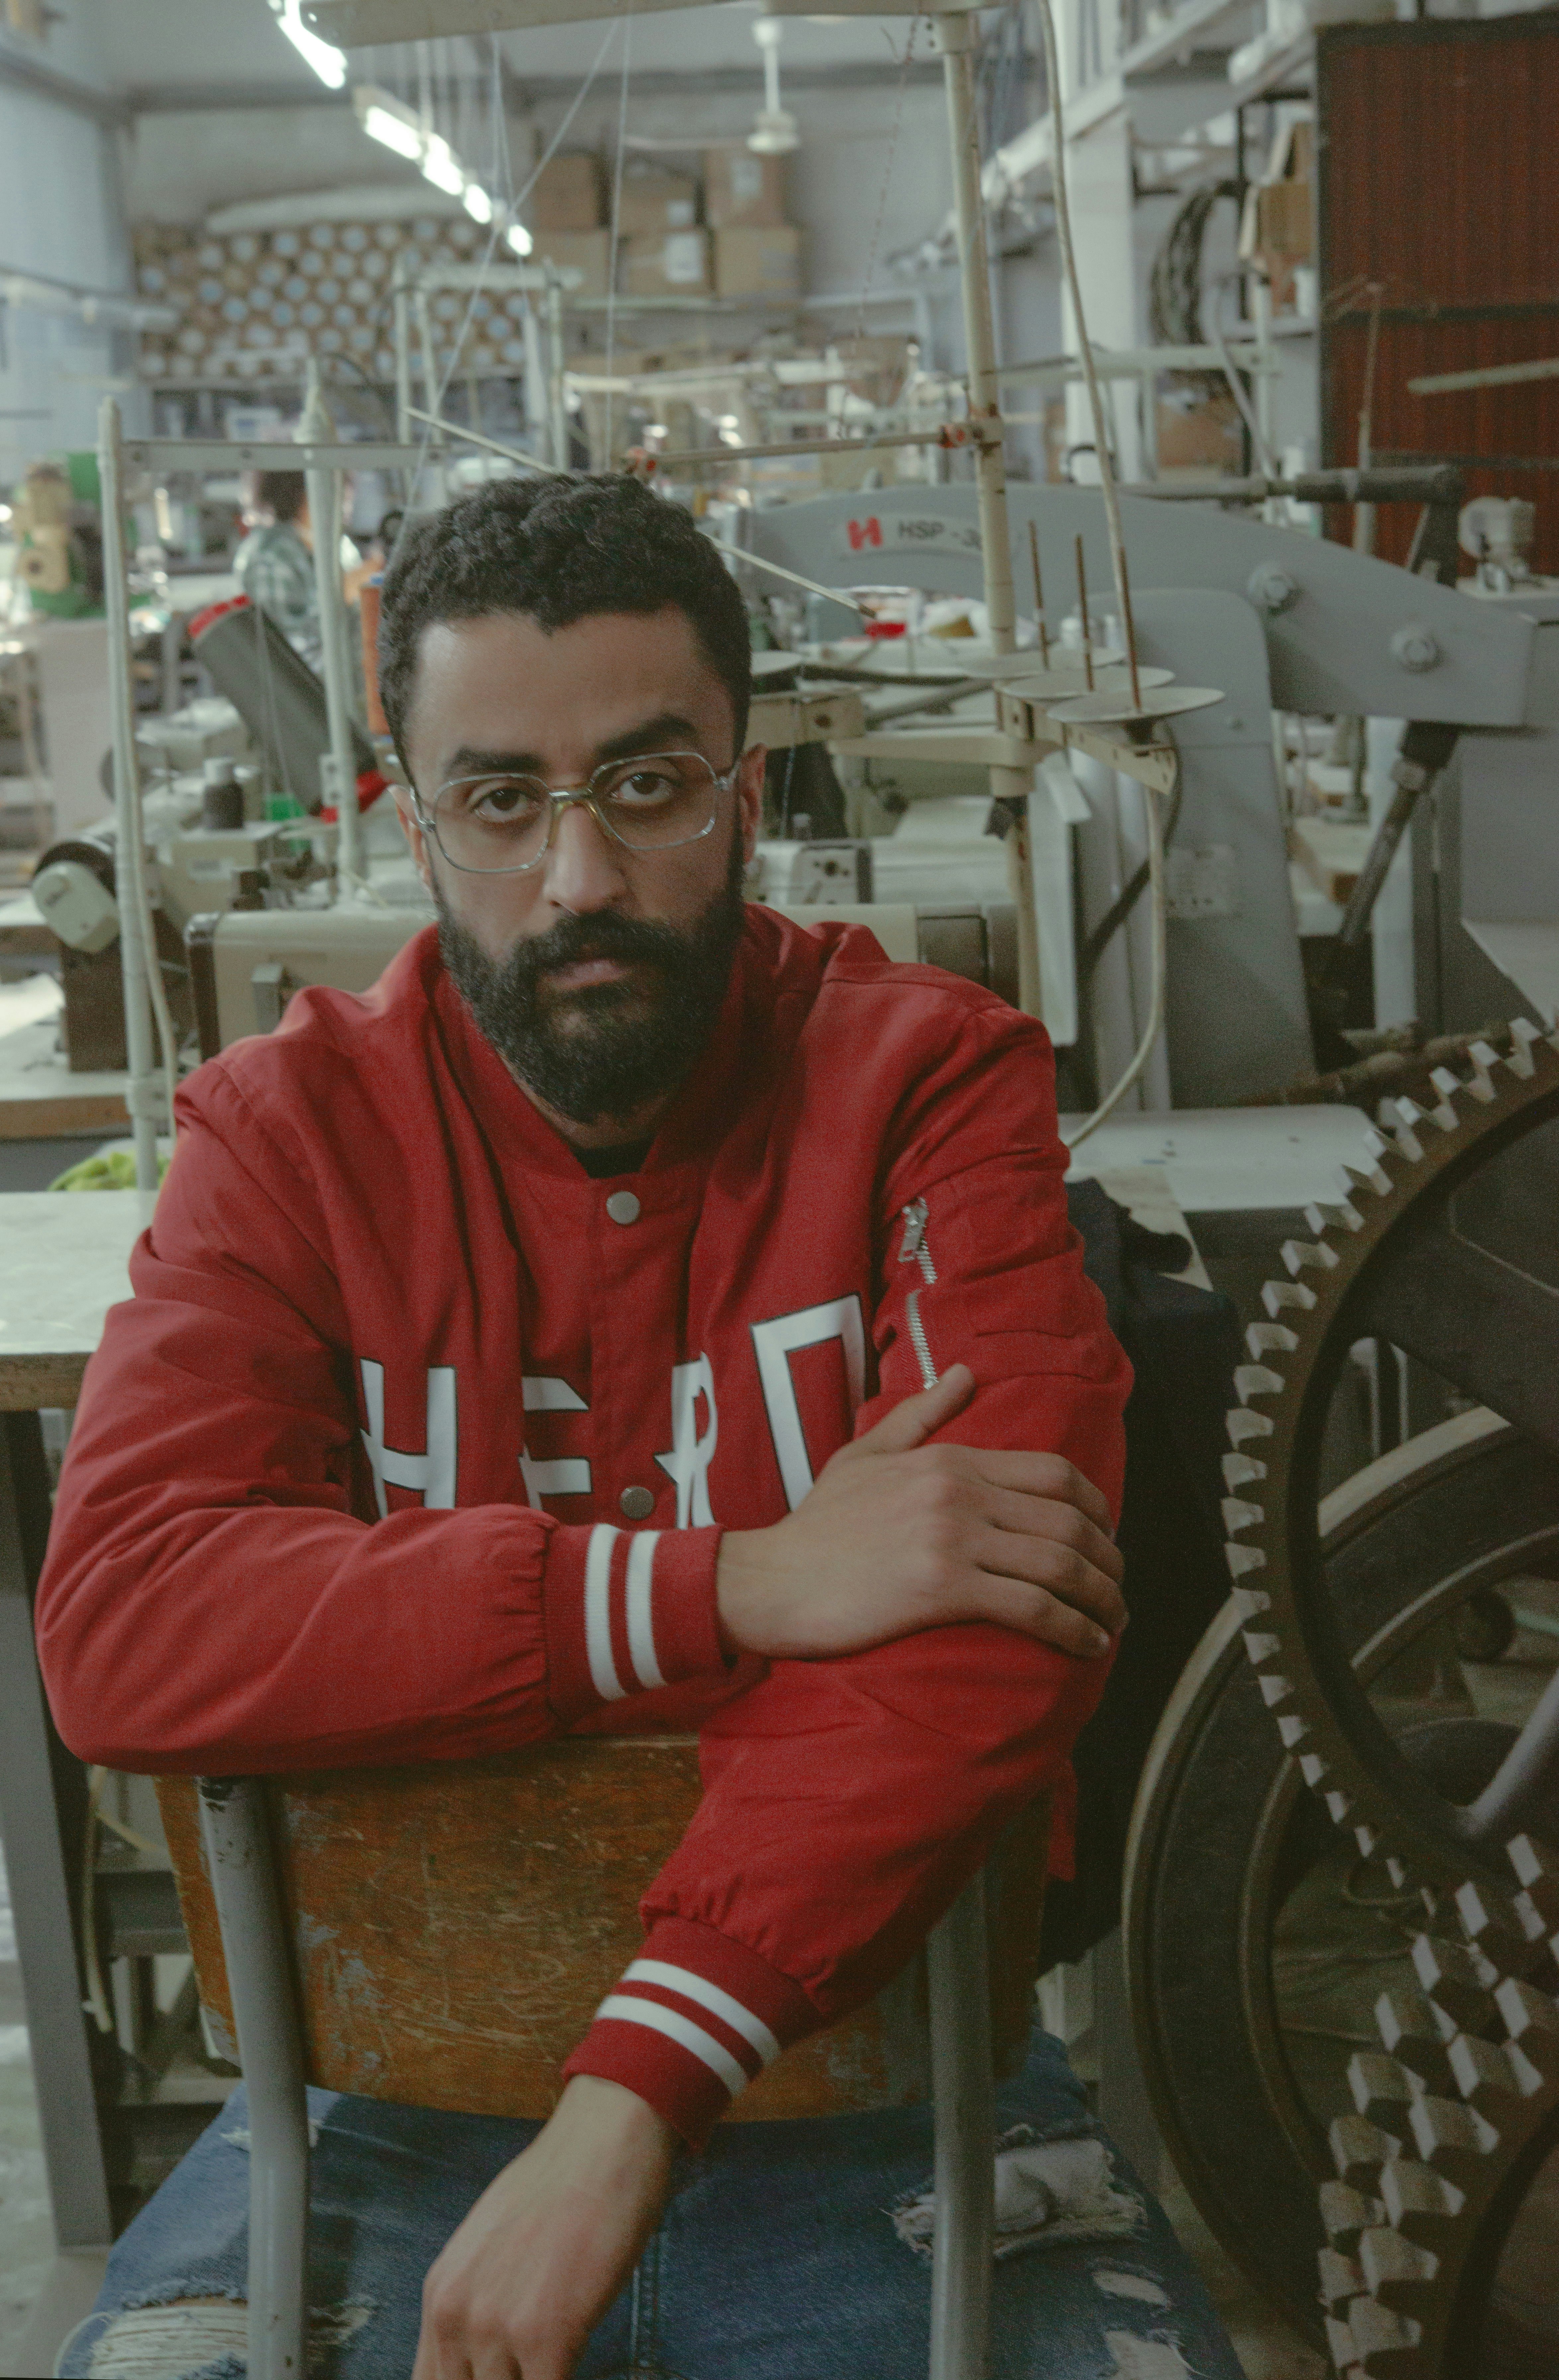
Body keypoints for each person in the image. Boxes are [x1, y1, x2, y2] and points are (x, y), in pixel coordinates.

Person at [38, 476, 1242, 2380]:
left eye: (648, 783)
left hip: (887, 2056)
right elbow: (128, 1622)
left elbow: (990, 1615)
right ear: (413, 817)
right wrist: (742, 1577)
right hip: (374, 2097)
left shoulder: (929, 1080)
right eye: (502, 799)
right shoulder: (284, 1136)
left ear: (745, 792)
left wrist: (627, 2095)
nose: (579, 877)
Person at [233, 466, 378, 675]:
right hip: (308, 694)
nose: (346, 507)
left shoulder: (340, 548)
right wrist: (340, 594)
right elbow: (291, 655)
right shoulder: (269, 555)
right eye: (338, 494)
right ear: (303, 495)